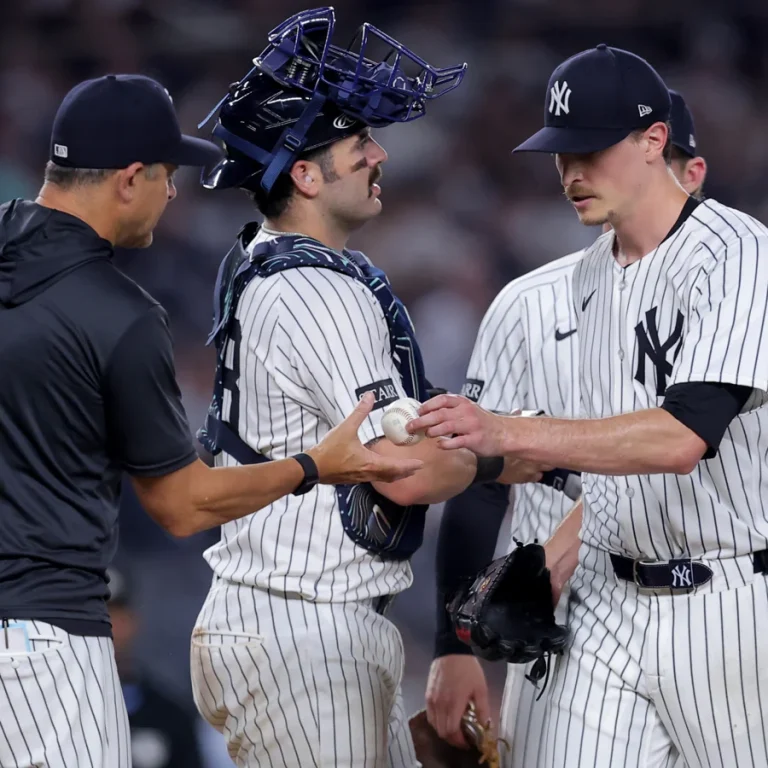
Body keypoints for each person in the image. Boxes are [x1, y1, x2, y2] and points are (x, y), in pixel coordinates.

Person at [0, 73, 423, 768]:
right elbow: (182, 505)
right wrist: (314, 466)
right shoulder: (117, 313)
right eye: (166, 175)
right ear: (129, 179)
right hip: (45, 643)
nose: (173, 193)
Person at [187, 9, 546, 767]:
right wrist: (512, 450)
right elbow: (407, 471)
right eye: (359, 146)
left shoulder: (271, 264)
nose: (380, 155)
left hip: (293, 622)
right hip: (304, 630)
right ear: (305, 174)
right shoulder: (316, 287)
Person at [408, 44, 768, 768]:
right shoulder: (591, 275)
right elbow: (599, 460)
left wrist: (506, 432)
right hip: (605, 602)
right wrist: (542, 549)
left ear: (655, 140)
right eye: (561, 153)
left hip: (723, 599)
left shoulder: (737, 252)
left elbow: (681, 438)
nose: (571, 172)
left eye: (591, 151)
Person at [106, 565, 205, 768]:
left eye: (114, 615)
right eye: (97, 615)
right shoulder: (55, 709)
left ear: (132, 621)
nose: (106, 627)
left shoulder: (170, 717)